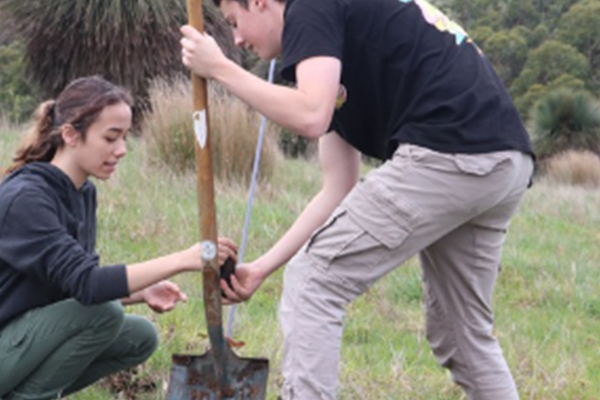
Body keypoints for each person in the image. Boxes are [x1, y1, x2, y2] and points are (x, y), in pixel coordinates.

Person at [180, 0, 535, 398]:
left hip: (450, 152)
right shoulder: (331, 49)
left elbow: (311, 115)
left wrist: (219, 69)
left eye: (234, 21)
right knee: (461, 333)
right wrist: (263, 267)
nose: (238, 38)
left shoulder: (310, 7)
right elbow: (338, 187)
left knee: (314, 281)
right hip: (503, 161)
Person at [0, 76, 237, 400]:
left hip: (20, 339)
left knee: (139, 337)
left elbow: (68, 284)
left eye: (125, 137)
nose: (122, 150)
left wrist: (140, 292)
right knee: (104, 314)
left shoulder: (82, 193)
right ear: (70, 134)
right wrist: (184, 259)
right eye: (111, 137)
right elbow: (88, 285)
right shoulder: (25, 198)